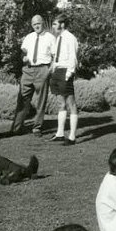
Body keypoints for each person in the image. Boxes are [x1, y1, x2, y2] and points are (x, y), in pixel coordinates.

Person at [11, 14, 55, 137]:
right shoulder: (29, 37)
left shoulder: (50, 37)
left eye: (38, 24)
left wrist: (49, 69)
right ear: (32, 25)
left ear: (43, 24)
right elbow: (22, 52)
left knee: (41, 100)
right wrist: (23, 57)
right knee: (22, 98)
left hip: (42, 69)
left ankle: (37, 127)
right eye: (34, 24)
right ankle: (16, 128)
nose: (36, 26)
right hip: (28, 70)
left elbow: (55, 55)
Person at [47, 13, 79, 145]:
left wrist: (69, 73)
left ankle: (72, 136)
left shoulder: (70, 38)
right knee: (60, 103)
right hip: (57, 71)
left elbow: (73, 57)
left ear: (63, 24)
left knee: (71, 103)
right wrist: (53, 67)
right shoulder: (58, 38)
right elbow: (56, 56)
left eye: (55, 24)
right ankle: (60, 133)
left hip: (66, 71)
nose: (53, 26)